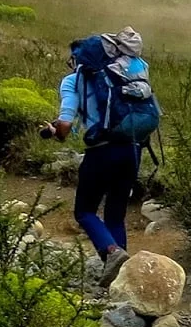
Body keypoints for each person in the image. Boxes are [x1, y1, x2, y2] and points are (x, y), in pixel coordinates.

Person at [38, 28, 148, 285]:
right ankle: (122, 278)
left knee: (85, 211)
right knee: (115, 214)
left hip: (101, 151)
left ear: (80, 58)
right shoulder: (127, 72)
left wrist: (54, 131)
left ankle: (112, 252)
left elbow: (65, 126)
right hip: (132, 148)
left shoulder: (73, 80)